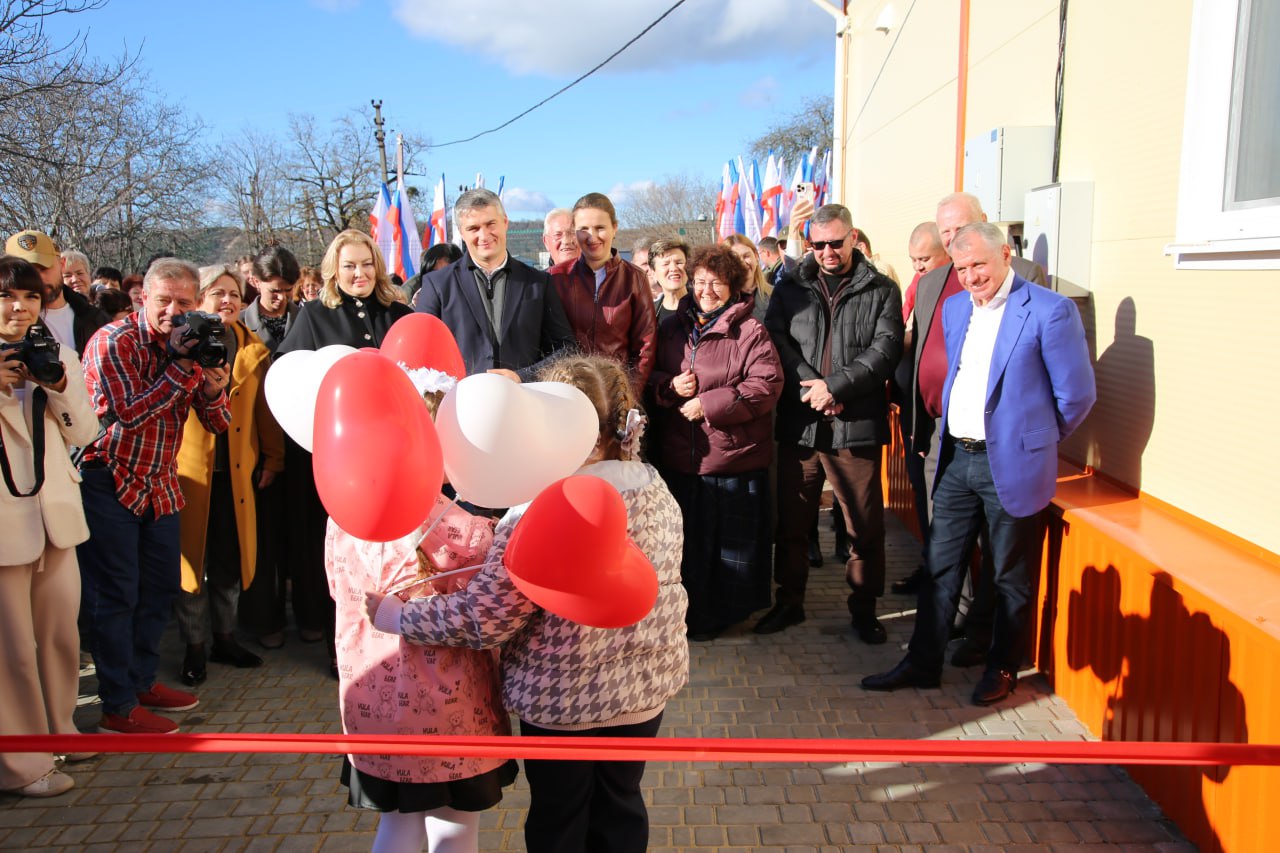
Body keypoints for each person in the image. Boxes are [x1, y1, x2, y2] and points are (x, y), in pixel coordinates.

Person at [367, 354, 688, 853]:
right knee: (622, 805)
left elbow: (486, 617)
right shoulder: (656, 490)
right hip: (643, 693)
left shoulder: (539, 507)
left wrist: (399, 615)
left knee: (560, 819)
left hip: (560, 701)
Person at [862, 222, 1095, 705]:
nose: (970, 276)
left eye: (979, 265)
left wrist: (1034, 440)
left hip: (1012, 464)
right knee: (940, 566)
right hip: (956, 458)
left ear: (1006, 255)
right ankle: (923, 662)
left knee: (1008, 574)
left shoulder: (1050, 310)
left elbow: (1076, 396)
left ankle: (1001, 667)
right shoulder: (955, 308)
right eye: (962, 267)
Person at [328, 373, 516, 853]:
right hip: (448, 709)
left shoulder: (342, 509)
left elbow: (337, 589)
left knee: (397, 824)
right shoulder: (458, 527)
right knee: (454, 827)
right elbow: (487, 604)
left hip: (371, 700)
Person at [77, 258, 232, 734]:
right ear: (142, 297)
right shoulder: (113, 341)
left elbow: (218, 423)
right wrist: (183, 367)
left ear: (196, 303)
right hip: (109, 478)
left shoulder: (194, 341)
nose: (172, 312)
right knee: (116, 595)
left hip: (160, 483)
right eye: (163, 300)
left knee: (159, 590)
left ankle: (142, 683)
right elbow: (128, 414)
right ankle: (117, 705)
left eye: (183, 302)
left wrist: (214, 389)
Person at [896, 192, 1048, 658]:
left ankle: (984, 641)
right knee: (942, 546)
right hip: (942, 436)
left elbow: (1070, 394)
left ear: (986, 225)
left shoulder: (1030, 280)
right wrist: (919, 424)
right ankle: (939, 639)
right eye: (945, 232)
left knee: (1000, 555)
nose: (952, 239)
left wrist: (1026, 436)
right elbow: (926, 354)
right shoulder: (932, 284)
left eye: (960, 228)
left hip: (1003, 446)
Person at [755, 204, 903, 643]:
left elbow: (885, 349)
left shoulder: (881, 288)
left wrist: (836, 388)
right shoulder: (791, 286)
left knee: (863, 526)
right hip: (801, 425)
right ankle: (789, 602)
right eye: (818, 244)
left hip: (853, 425)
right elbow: (775, 340)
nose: (827, 252)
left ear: (853, 237)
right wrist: (812, 388)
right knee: (793, 524)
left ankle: (864, 608)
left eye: (835, 243)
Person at [277, 230, 412, 676]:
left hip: (394, 456)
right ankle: (344, 649)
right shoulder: (313, 316)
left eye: (367, 264)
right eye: (350, 265)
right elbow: (292, 379)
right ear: (335, 270)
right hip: (340, 459)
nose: (360, 273)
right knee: (344, 558)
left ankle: (395, 639)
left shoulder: (399, 314)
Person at [0, 257, 100, 797]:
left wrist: (58, 384)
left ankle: (61, 730)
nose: (19, 308)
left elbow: (85, 430)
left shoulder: (58, 354)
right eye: (7, 297)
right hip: (5, 522)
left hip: (56, 512)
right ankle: (22, 762)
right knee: (11, 650)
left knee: (61, 636)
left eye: (31, 297)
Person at [648, 246, 782, 640]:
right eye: (700, 282)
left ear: (732, 286)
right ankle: (687, 613)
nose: (707, 291)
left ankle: (720, 616)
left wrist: (708, 404)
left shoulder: (750, 331)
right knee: (690, 546)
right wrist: (669, 386)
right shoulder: (672, 327)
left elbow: (765, 385)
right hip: (682, 459)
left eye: (717, 283)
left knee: (727, 548)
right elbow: (649, 375)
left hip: (730, 460)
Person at [175, 265, 284, 686]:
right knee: (191, 564)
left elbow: (264, 411)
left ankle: (225, 637)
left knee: (229, 560)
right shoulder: (180, 343)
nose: (227, 301)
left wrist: (273, 458)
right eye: (217, 293)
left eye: (234, 294)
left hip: (237, 474)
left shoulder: (253, 348)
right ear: (200, 299)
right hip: (189, 474)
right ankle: (193, 645)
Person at [414, 189, 575, 382]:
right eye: (473, 228)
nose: (484, 235)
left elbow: (566, 349)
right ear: (462, 232)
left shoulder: (538, 282)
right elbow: (420, 352)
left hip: (524, 396)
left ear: (505, 222)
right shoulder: (437, 284)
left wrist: (522, 376)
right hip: (460, 398)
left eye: (490, 224)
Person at [549, 193, 657, 396]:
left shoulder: (635, 278)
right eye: (584, 229)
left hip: (616, 394)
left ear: (614, 228)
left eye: (600, 228)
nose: (592, 237)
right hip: (568, 394)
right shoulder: (556, 278)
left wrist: (628, 396)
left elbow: (645, 347)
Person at [4, 230, 108, 357]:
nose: (38, 278)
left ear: (62, 264)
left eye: (43, 268)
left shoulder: (97, 319)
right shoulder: (9, 324)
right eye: (27, 272)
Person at [241, 245, 300, 356]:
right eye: (274, 291)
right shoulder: (240, 324)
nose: (282, 297)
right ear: (256, 282)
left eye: (288, 290)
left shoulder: (306, 319)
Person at [722, 234, 773, 323]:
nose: (742, 263)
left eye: (746, 256)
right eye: (735, 259)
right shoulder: (721, 301)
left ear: (756, 256)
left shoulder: (774, 295)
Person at [649, 237, 690, 326]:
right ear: (653, 273)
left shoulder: (703, 308)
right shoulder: (648, 314)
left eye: (679, 262)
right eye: (665, 264)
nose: (673, 268)